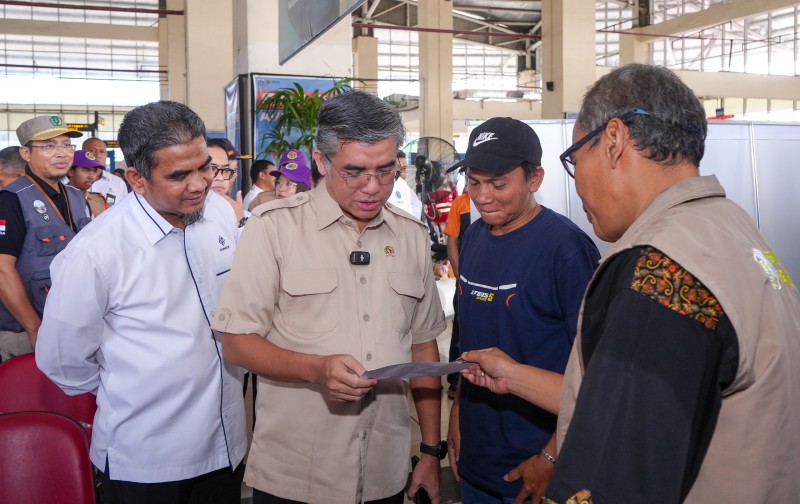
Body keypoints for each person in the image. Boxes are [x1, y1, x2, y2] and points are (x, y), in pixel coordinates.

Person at [542, 64, 800, 503]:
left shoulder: (659, 273)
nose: (578, 182)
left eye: (574, 158)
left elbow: (613, 480)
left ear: (613, 140)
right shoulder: (737, 233)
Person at [211, 90, 447, 504]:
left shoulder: (411, 235)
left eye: (386, 171)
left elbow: (423, 345)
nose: (373, 188)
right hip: (298, 474)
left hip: (385, 471)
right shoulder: (274, 228)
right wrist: (316, 370)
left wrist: (430, 450)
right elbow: (236, 342)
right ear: (320, 162)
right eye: (354, 172)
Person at [35, 100, 247, 504]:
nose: (200, 183)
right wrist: (134, 384)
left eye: (204, 166)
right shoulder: (96, 253)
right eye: (179, 175)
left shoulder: (218, 213)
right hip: (146, 459)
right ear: (136, 178)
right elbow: (62, 360)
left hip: (226, 444)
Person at [445, 117, 600, 504]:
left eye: (498, 184)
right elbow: (470, 341)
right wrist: (458, 413)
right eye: (475, 182)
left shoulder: (567, 250)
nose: (483, 198)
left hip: (539, 468)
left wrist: (552, 455)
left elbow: (595, 372)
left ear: (535, 179)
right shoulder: (475, 237)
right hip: (477, 463)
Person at [0, 115, 88, 362]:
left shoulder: (77, 197)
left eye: (66, 145)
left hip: (72, 326)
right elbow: (2, 270)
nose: (62, 153)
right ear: (26, 154)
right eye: (49, 146)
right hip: (27, 332)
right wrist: (34, 327)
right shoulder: (11, 200)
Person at [441, 191, 471, 399]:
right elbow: (452, 242)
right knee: (460, 328)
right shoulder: (461, 204)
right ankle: (455, 378)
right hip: (466, 280)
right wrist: (460, 275)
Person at [207, 138, 246, 225]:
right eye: (212, 169)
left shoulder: (244, 216)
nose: (220, 178)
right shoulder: (182, 220)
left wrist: (241, 221)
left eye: (225, 170)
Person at [84, 137, 128, 206]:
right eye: (92, 150)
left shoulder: (118, 183)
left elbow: (124, 210)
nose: (97, 155)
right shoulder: (71, 181)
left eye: (102, 152)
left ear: (106, 155)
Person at [66, 149, 106, 217]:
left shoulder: (99, 200)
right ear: (71, 171)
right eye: (85, 170)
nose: (92, 176)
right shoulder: (60, 199)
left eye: (94, 171)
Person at [388, 149, 423, 218]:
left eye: (404, 169)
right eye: (397, 169)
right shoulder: (382, 191)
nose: (401, 173)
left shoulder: (405, 188)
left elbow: (417, 207)